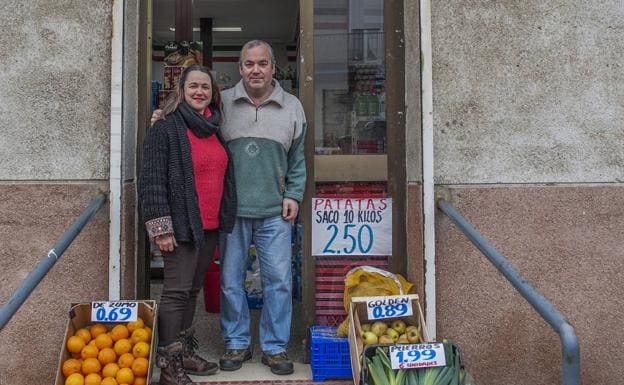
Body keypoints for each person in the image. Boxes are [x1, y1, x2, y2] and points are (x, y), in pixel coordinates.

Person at [139, 64, 236, 385]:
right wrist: (161, 228)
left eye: (205, 87)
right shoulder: (165, 127)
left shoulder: (213, 127)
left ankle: (183, 354)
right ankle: (169, 365)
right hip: (178, 228)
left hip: (208, 227)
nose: (199, 92)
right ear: (181, 90)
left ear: (213, 93)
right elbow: (151, 181)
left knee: (192, 291)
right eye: (193, 86)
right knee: (176, 292)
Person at [217, 40, 306, 376]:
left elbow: (298, 159)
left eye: (262, 64)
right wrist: (160, 115)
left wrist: (294, 195)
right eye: (249, 64)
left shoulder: (292, 107)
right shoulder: (223, 103)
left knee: (279, 281)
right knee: (229, 280)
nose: (256, 70)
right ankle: (237, 341)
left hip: (275, 210)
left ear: (273, 68)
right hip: (232, 210)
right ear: (240, 68)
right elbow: (193, 128)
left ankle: (274, 346)